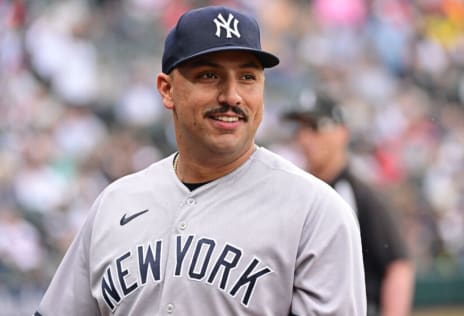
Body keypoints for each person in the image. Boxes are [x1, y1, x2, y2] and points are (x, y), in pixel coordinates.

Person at [34, 6, 366, 316]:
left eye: (248, 77)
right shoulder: (115, 204)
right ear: (167, 90)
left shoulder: (316, 211)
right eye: (209, 76)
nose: (232, 96)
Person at [282, 91, 414, 316]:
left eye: (314, 127)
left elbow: (398, 267)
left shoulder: (363, 195)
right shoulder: (292, 192)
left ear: (342, 133)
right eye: (300, 129)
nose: (304, 139)